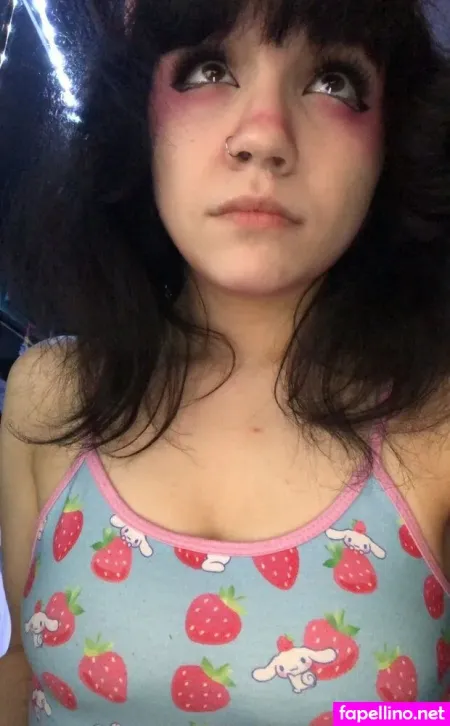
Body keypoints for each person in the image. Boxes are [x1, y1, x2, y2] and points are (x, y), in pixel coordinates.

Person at [1, 0, 450, 723]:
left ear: (393, 140)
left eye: (332, 82)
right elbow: (27, 668)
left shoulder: (437, 423)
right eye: (209, 69)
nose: (264, 137)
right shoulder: (51, 398)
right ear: (140, 118)